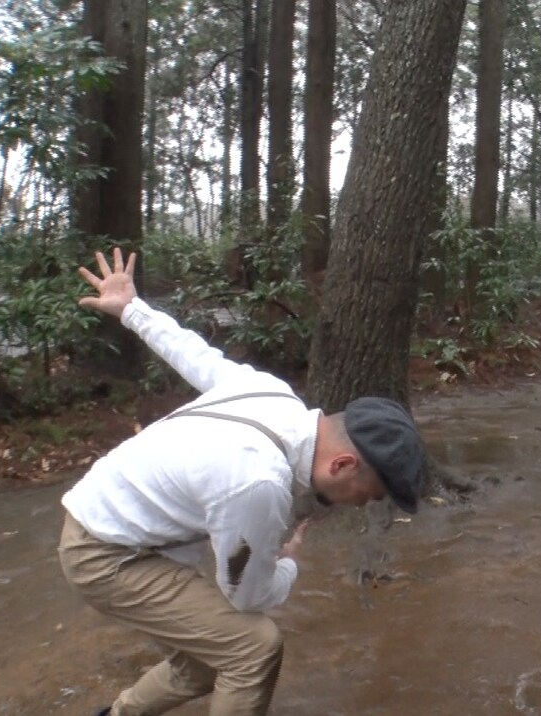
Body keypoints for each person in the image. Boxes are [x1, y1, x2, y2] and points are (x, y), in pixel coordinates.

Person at [58, 248, 424, 715]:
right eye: (368, 496)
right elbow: (245, 595)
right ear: (343, 466)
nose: (360, 506)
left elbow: (194, 354)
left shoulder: (275, 396)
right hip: (105, 555)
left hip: (114, 520)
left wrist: (132, 309)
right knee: (254, 646)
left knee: (206, 661)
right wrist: (286, 565)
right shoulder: (259, 481)